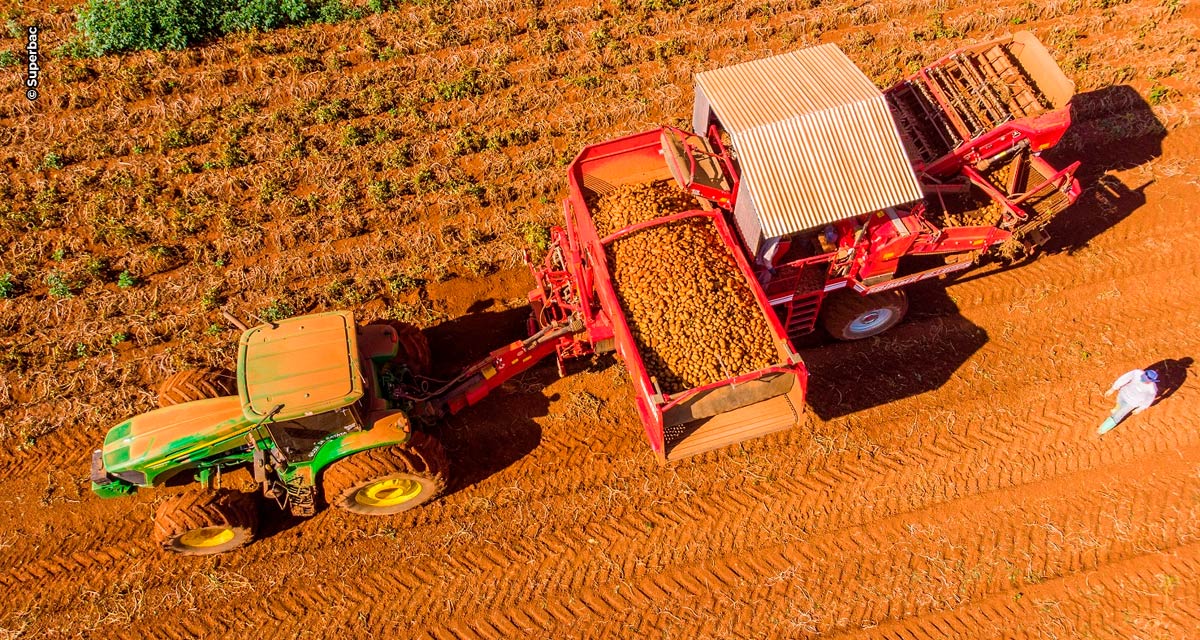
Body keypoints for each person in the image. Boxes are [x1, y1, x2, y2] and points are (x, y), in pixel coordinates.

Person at [1099, 369, 1159, 434]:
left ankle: (1102, 430)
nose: (1142, 380)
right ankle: (1117, 408)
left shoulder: (1152, 390)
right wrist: (1113, 389)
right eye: (1143, 377)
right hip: (1123, 394)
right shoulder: (1137, 373)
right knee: (1118, 404)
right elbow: (1124, 379)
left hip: (1132, 403)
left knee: (1118, 416)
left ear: (1151, 381)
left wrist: (1140, 409)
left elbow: (1148, 400)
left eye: (1145, 380)